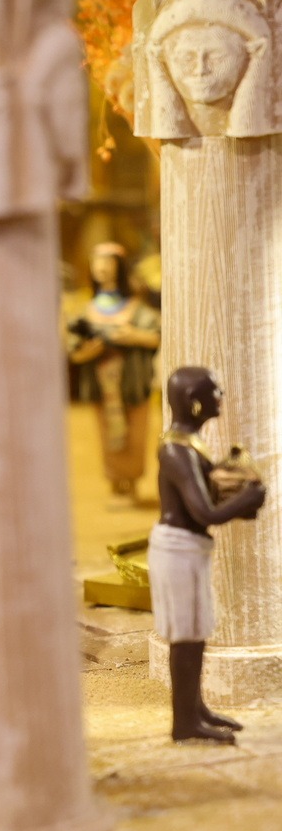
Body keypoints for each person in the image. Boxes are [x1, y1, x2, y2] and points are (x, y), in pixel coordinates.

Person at [153, 366, 265, 744]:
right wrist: (248, 498)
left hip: (190, 548)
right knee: (185, 636)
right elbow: (204, 513)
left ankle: (195, 708)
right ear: (193, 401)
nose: (220, 397)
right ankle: (184, 722)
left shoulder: (189, 443)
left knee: (197, 632)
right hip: (178, 548)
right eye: (213, 391)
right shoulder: (175, 450)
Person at [68, 243, 161, 500]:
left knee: (136, 431)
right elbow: (75, 351)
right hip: (102, 385)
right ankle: (114, 481)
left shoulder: (136, 308)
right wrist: (89, 351)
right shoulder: (87, 310)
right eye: (97, 262)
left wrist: (134, 337)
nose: (102, 268)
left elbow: (156, 336)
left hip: (132, 383)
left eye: (108, 263)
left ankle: (131, 481)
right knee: (106, 432)